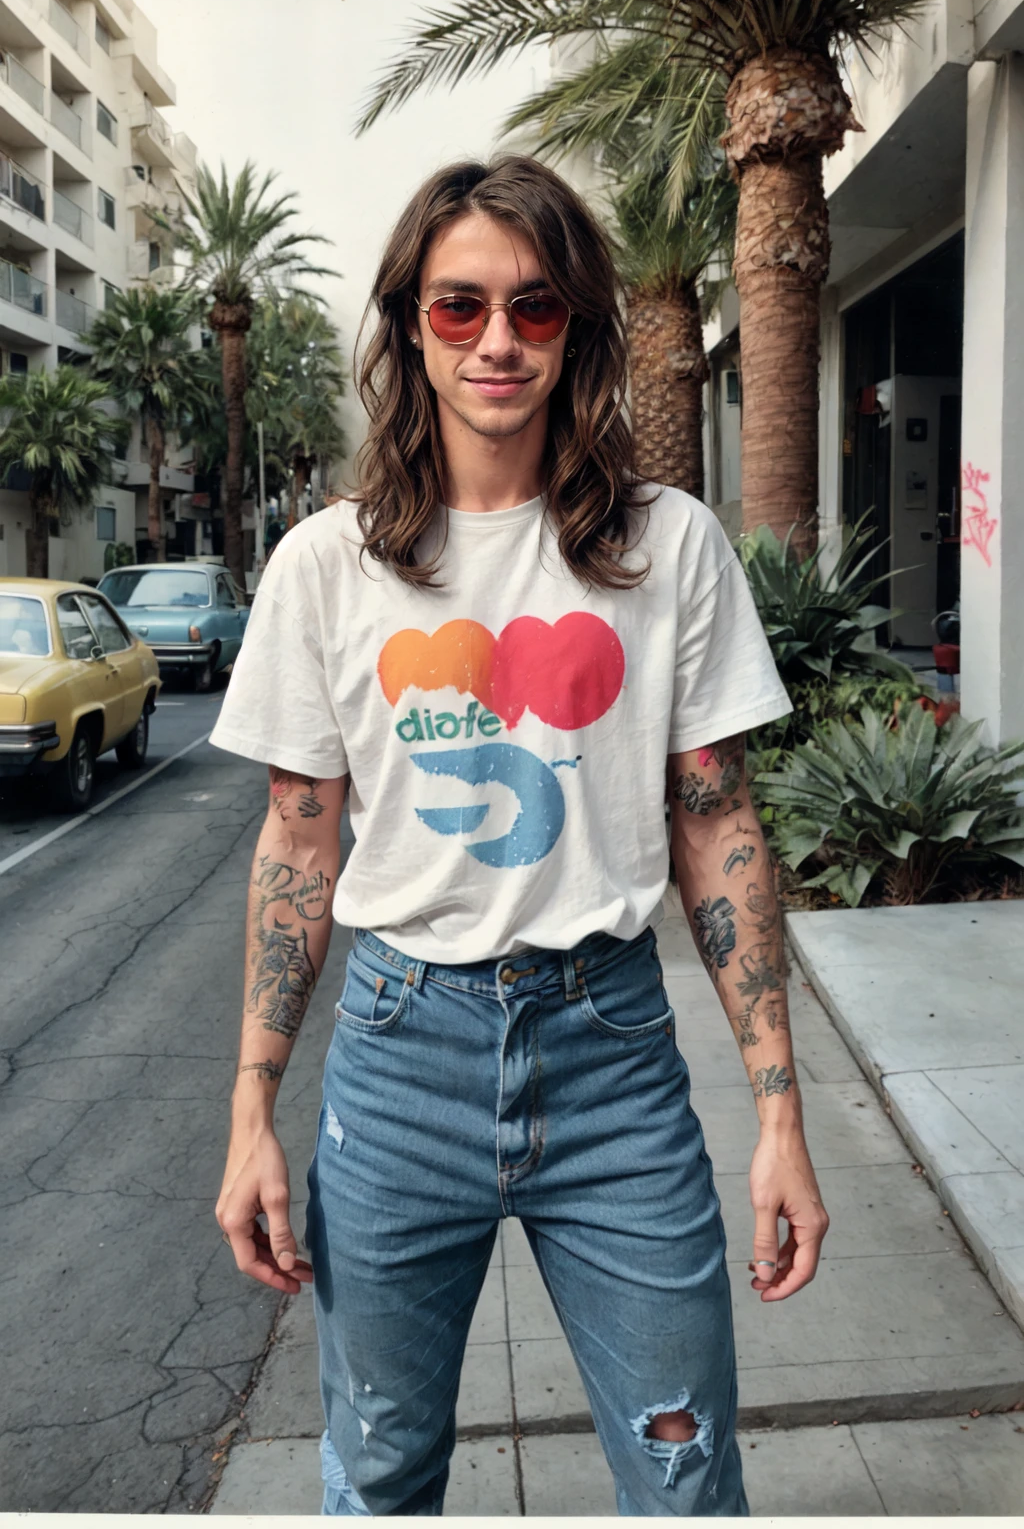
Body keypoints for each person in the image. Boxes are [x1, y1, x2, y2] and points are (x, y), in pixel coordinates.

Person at [210, 155, 829, 1517]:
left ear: (582, 328)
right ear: (409, 327)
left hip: (610, 1057)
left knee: (683, 1474)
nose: (498, 340)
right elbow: (299, 849)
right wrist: (254, 1111)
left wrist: (781, 1118)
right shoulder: (328, 566)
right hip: (395, 1059)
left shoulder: (669, 548)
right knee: (379, 1476)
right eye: (459, 307)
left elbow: (717, 825)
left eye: (536, 307)